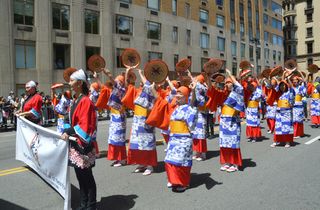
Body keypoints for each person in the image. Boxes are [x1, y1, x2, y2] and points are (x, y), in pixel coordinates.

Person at [61, 69, 97, 210]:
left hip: (83, 145)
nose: (69, 83)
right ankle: (83, 204)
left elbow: (85, 124)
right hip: (75, 143)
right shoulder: (75, 100)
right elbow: (67, 118)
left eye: (71, 80)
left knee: (87, 178)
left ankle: (91, 206)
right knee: (80, 177)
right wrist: (65, 129)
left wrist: (69, 131)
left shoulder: (86, 101)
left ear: (80, 83)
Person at [219, 69, 244, 172]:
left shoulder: (236, 92)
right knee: (225, 143)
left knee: (233, 143)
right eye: (226, 83)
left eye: (229, 82)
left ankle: (235, 163)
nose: (227, 84)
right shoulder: (227, 94)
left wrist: (230, 74)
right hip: (224, 121)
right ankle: (228, 162)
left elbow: (240, 86)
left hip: (233, 121)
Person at [103, 68, 128, 167]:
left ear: (120, 82)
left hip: (119, 115)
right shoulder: (116, 89)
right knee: (114, 138)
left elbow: (114, 82)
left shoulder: (121, 89)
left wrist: (109, 74)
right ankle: (118, 158)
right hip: (114, 115)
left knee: (119, 138)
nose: (116, 81)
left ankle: (122, 159)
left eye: (118, 80)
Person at [271, 79, 295, 148]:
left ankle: (287, 142)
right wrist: (274, 78)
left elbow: (291, 88)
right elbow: (272, 87)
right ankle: (276, 141)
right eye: (281, 85)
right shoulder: (278, 93)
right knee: (278, 128)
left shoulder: (289, 92)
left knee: (286, 128)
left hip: (287, 113)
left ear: (286, 86)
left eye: (284, 85)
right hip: (279, 113)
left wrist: (288, 79)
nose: (282, 87)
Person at [291, 73, 306, 138]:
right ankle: (297, 133)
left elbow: (305, 82)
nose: (295, 82)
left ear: (298, 81)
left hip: (299, 105)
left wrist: (300, 74)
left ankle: (298, 133)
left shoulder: (301, 87)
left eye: (296, 81)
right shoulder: (292, 88)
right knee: (294, 120)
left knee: (298, 120)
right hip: (293, 106)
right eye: (293, 81)